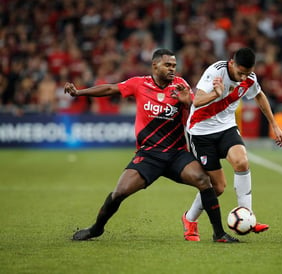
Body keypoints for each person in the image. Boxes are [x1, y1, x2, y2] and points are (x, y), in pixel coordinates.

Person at [65, 49, 238, 243]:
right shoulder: (139, 84)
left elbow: (195, 106)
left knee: (204, 181)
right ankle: (96, 229)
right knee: (119, 192)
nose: (172, 69)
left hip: (176, 154)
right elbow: (110, 89)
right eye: (168, 65)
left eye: (174, 65)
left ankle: (219, 233)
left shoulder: (180, 85)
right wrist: (79, 92)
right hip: (148, 155)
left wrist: (186, 102)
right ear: (155, 65)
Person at [181, 47, 282, 241]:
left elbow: (259, 95)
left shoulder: (249, 78)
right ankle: (189, 219)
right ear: (231, 63)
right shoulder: (216, 71)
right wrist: (216, 93)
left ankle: (248, 215)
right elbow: (196, 101)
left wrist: (275, 125)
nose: (242, 78)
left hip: (226, 128)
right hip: (201, 131)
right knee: (218, 187)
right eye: (240, 73)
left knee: (241, 162)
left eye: (246, 73)